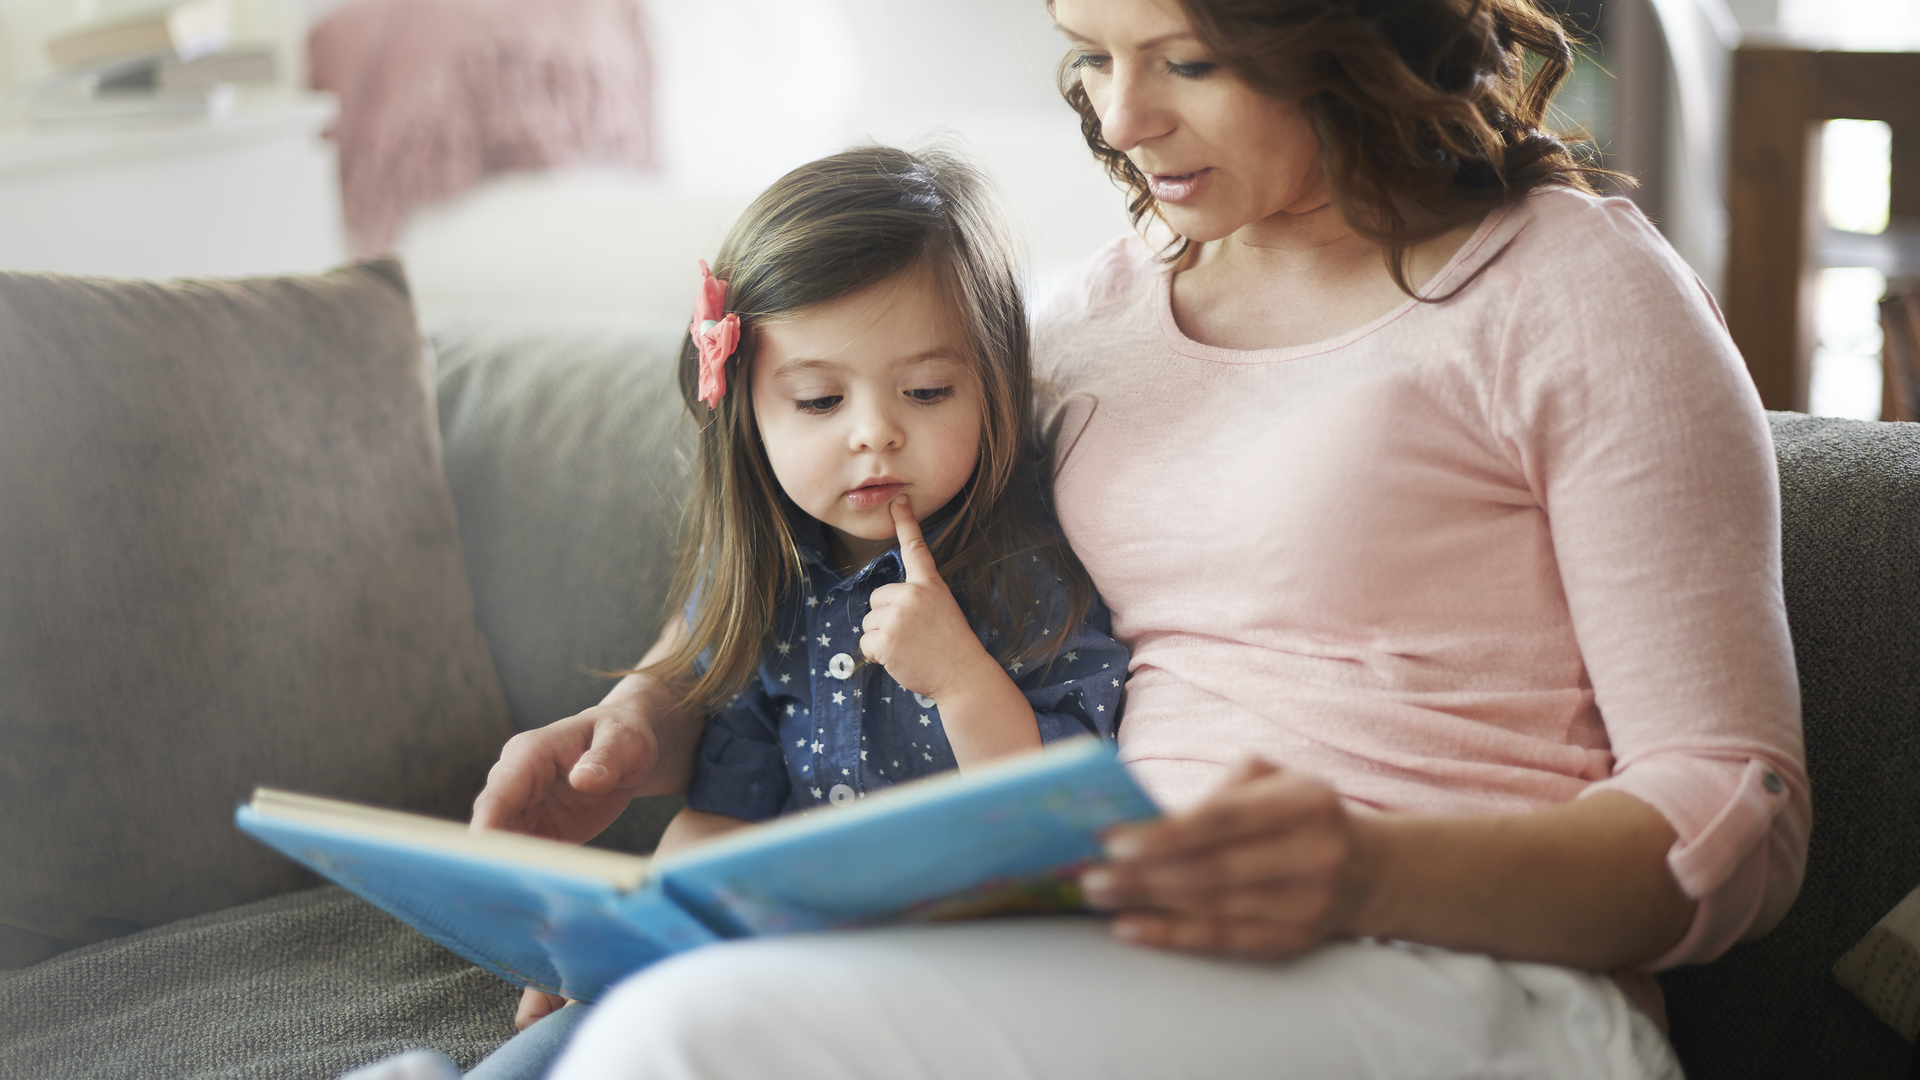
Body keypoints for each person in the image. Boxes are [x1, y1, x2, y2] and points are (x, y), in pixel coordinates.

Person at [478, 0, 1809, 1075]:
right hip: (1098, 931)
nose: (1122, 118)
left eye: (1186, 58)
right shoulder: (1094, 315)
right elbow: (839, 548)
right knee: (663, 997)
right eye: (1092, 55)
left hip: (1460, 984)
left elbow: (1741, 813)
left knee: (702, 1037)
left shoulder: (1575, 291)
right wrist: (655, 707)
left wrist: (1363, 870)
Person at [470, 144, 1127, 1065]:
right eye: (819, 399)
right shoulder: (771, 577)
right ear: (749, 412)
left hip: (959, 965)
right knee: (581, 1035)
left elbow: (1060, 818)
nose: (875, 432)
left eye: (928, 391)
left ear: (995, 386)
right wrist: (634, 935)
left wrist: (963, 680)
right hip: (777, 953)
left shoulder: (1031, 577)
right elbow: (726, 807)